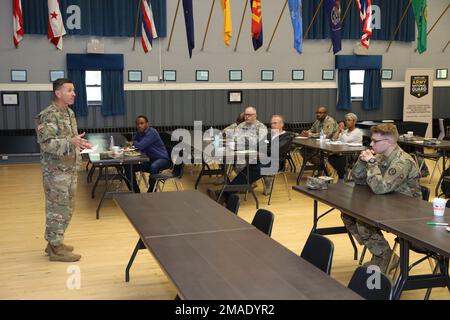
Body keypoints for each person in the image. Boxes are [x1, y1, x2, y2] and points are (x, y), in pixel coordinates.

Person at [346, 123, 422, 272]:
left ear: (389, 142)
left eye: (375, 141)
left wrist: (372, 162)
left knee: (363, 222)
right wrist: (362, 162)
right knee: (348, 215)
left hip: (408, 210)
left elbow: (380, 188)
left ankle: (384, 256)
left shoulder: (402, 161)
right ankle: (383, 254)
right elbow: (358, 180)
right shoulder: (381, 156)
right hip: (387, 202)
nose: (371, 144)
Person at [35, 78, 92, 262]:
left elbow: (71, 138)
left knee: (67, 208)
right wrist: (71, 142)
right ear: (58, 93)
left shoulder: (70, 113)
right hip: (56, 173)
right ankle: (56, 248)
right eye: (70, 90)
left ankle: (54, 242)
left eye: (74, 90)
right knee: (57, 209)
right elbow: (46, 144)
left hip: (70, 169)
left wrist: (80, 144)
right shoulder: (48, 115)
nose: (74, 93)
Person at [207, 115, 292, 203]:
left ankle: (223, 194)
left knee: (249, 173)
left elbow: (273, 151)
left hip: (274, 164)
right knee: (245, 171)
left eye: (275, 123)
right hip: (262, 160)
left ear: (282, 124)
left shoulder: (287, 137)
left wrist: (265, 146)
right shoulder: (269, 134)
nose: (272, 125)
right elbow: (258, 145)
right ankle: (224, 195)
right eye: (271, 123)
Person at [124, 115, 172, 193]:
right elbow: (134, 141)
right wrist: (133, 141)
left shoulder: (152, 132)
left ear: (147, 124)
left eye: (142, 123)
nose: (139, 126)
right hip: (149, 160)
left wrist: (133, 142)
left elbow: (140, 146)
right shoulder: (139, 133)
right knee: (128, 166)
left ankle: (151, 191)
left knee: (154, 166)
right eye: (137, 124)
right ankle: (135, 191)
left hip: (162, 160)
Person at [328, 113, 363, 179]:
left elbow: (345, 140)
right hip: (343, 152)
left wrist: (341, 130)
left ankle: (341, 176)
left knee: (339, 160)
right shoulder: (346, 131)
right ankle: (341, 174)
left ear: (354, 122)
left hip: (352, 154)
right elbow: (334, 139)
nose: (347, 122)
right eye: (346, 120)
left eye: (349, 120)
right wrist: (338, 130)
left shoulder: (357, 132)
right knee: (331, 158)